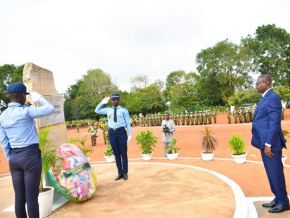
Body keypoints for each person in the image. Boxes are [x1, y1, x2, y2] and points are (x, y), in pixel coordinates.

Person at [0, 83, 55, 218]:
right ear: (21, 95)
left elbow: (4, 141)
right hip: (30, 156)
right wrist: (39, 98)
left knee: (19, 198)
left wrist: (11, 159)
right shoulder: (26, 111)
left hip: (14, 158)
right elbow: (50, 108)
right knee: (31, 197)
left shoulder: (2, 115)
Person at [251, 74, 289, 213]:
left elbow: (274, 123)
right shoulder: (264, 97)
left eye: (258, 83)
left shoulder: (273, 97)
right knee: (270, 173)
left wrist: (268, 144)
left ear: (266, 83)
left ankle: (284, 201)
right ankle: (278, 198)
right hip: (264, 142)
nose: (256, 85)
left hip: (271, 144)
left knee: (276, 172)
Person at [95, 94, 132, 181]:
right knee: (116, 154)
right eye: (112, 100)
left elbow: (127, 123)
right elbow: (97, 110)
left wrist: (130, 134)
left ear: (118, 100)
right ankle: (120, 173)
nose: (114, 101)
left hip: (121, 132)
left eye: (116, 100)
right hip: (112, 132)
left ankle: (125, 172)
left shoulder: (124, 110)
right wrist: (102, 103)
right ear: (111, 101)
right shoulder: (108, 110)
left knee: (124, 153)